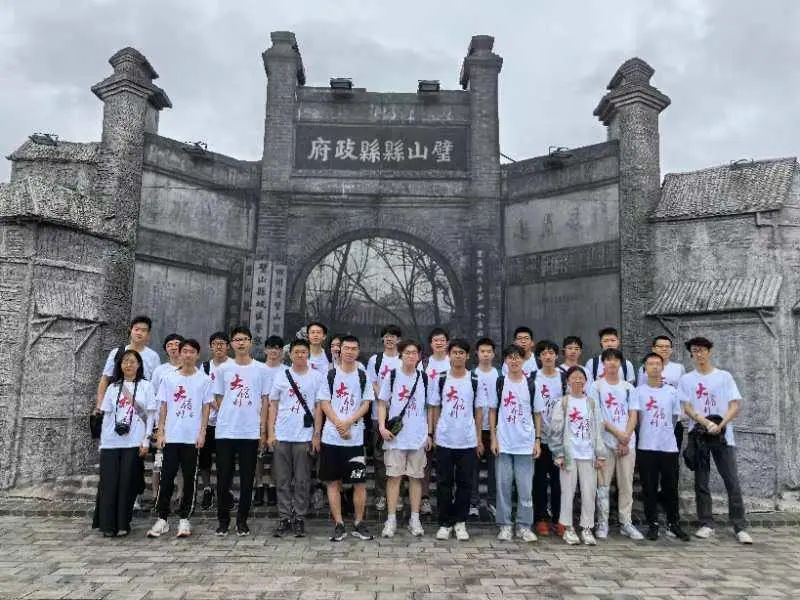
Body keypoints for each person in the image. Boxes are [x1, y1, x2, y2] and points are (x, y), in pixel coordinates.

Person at [678, 337, 752, 544]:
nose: (699, 354)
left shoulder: (724, 377)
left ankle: (739, 526)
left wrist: (721, 425)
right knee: (701, 481)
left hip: (723, 436)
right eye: (695, 350)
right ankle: (706, 523)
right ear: (691, 354)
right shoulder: (687, 379)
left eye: (702, 350)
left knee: (731, 480)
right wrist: (705, 422)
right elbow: (687, 407)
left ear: (709, 351)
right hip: (699, 435)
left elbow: (735, 405)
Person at [146, 339, 212, 539]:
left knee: (190, 478)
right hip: (171, 436)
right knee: (166, 477)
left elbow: (206, 408)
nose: (188, 354)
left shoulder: (204, 380)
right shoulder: (169, 378)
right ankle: (162, 518)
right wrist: (160, 432)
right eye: (185, 351)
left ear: (197, 355)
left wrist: (202, 432)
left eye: (192, 351)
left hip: (192, 438)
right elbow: (163, 407)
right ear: (180, 353)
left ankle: (185, 518)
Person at [212, 326, 271, 536]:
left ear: (251, 342)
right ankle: (223, 520)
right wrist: (230, 413)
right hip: (226, 432)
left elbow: (265, 401)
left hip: (250, 432)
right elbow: (218, 397)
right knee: (223, 479)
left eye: (245, 339)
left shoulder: (262, 369)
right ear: (232, 344)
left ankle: (242, 521)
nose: (241, 343)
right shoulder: (223, 369)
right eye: (237, 339)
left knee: (247, 479)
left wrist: (262, 430)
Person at [92, 349, 156, 537]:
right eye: (125, 361)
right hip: (111, 442)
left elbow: (151, 415)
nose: (128, 365)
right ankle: (107, 525)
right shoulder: (113, 388)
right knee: (109, 483)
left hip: (134, 441)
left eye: (132, 361)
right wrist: (103, 442)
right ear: (120, 365)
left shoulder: (146, 386)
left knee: (127, 483)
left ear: (139, 365)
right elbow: (107, 416)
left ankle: (123, 523)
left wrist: (146, 440)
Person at [317, 335, 375, 542]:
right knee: (333, 482)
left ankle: (359, 522)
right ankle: (339, 523)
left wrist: (348, 422)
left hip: (354, 439)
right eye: (346, 348)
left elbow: (366, 404)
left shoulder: (362, 375)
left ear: (358, 351)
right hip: (331, 438)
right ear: (339, 350)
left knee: (359, 483)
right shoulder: (330, 374)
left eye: (353, 348)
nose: (349, 351)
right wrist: (339, 424)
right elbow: (324, 402)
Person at [268, 339, 325, 538]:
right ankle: (284, 517)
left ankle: (299, 517)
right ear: (290, 354)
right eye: (296, 352)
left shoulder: (316, 377)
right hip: (282, 435)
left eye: (303, 352)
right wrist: (271, 433)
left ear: (308, 354)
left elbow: (319, 407)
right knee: (282, 480)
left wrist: (316, 434)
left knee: (302, 480)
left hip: (304, 436)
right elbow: (273, 405)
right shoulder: (281, 375)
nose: (300, 355)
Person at [428, 339, 482, 541]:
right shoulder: (441, 378)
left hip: (467, 440)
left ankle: (460, 522)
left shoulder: (474, 379)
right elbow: (434, 407)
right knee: (444, 483)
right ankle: (445, 522)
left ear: (467, 356)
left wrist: (478, 438)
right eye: (455, 352)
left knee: (465, 483)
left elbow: (479, 410)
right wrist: (433, 433)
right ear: (449, 355)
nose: (458, 356)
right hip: (444, 439)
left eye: (462, 353)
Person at [588, 348, 642, 540]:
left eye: (616, 360)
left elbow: (633, 414)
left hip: (627, 444)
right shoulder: (596, 387)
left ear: (620, 363)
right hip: (604, 442)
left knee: (626, 484)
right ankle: (602, 522)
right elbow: (597, 416)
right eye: (608, 360)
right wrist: (619, 435)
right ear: (603, 363)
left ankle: (626, 522)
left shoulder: (628, 388)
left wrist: (626, 437)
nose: (612, 363)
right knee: (602, 485)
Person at [377, 339, 430, 537]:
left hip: (417, 436)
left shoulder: (424, 378)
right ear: (401, 355)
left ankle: (415, 519)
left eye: (414, 352)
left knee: (416, 478)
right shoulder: (392, 376)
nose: (410, 356)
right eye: (407, 352)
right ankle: (391, 519)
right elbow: (382, 403)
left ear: (419, 356)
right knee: (394, 478)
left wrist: (429, 433)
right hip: (395, 437)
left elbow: (430, 407)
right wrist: (382, 427)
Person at [635, 352, 689, 541]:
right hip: (646, 445)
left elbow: (675, 418)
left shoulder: (672, 392)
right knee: (649, 487)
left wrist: (664, 433)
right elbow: (637, 419)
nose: (655, 367)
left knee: (670, 487)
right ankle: (653, 524)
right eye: (650, 363)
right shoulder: (638, 392)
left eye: (658, 363)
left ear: (662, 367)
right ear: (645, 368)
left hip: (668, 446)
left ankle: (674, 523)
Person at [550, 366, 607, 545]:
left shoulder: (591, 403)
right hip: (569, 455)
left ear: (585, 381)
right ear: (567, 381)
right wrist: (558, 453)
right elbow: (555, 431)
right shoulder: (563, 403)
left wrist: (600, 454)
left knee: (589, 493)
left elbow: (598, 430)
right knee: (567, 492)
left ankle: (587, 528)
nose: (577, 380)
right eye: (573, 377)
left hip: (588, 454)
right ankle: (568, 528)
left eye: (580, 377)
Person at [489, 345, 540, 542]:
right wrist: (493, 438)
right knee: (503, 487)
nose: (514, 360)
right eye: (510, 357)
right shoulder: (500, 382)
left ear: (523, 360)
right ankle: (505, 525)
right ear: (505, 361)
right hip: (504, 442)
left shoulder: (531, 384)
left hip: (525, 444)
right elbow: (493, 411)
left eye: (518, 357)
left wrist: (537, 440)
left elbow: (537, 414)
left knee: (525, 488)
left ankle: (524, 525)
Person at [531, 340, 567, 537]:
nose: (547, 356)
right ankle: (540, 518)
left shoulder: (563, 378)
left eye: (551, 353)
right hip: (539, 438)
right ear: (539, 357)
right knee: (539, 481)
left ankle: (559, 519)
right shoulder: (532, 378)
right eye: (543, 353)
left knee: (558, 482)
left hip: (559, 439)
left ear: (556, 355)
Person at [366, 325, 402, 511]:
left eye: (393, 336)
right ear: (382, 339)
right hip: (377, 414)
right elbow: (372, 382)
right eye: (386, 336)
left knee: (400, 455)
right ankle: (380, 495)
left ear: (398, 340)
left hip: (400, 416)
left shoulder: (403, 358)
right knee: (380, 457)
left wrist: (394, 404)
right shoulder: (375, 360)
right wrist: (385, 400)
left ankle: (398, 495)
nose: (389, 339)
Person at [148, 333, 185, 505]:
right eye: (169, 344)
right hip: (162, 422)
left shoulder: (191, 369)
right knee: (158, 461)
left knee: (180, 461)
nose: (173, 347)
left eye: (177, 343)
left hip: (183, 422)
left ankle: (180, 494)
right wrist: (155, 425)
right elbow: (153, 395)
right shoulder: (160, 370)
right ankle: (156, 494)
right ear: (165, 349)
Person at [95, 315, 161, 410]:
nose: (139, 333)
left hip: (141, 407)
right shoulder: (117, 353)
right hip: (117, 404)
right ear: (131, 330)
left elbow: (156, 386)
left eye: (143, 330)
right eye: (136, 329)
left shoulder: (153, 357)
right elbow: (105, 379)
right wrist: (99, 405)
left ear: (148, 334)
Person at [418, 327, 451, 516]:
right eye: (435, 340)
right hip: (425, 418)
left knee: (447, 464)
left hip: (449, 419)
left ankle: (446, 500)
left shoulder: (453, 362)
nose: (439, 343)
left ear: (447, 343)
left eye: (442, 340)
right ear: (431, 344)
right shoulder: (423, 364)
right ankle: (424, 499)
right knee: (425, 462)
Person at [198, 331, 230, 510]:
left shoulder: (233, 366)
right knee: (205, 458)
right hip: (208, 421)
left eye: (222, 343)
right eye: (215, 343)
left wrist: (224, 409)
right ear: (210, 346)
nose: (219, 346)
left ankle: (224, 490)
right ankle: (207, 488)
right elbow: (201, 391)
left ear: (228, 346)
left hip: (227, 423)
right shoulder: (204, 367)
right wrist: (215, 405)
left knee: (224, 459)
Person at [637, 335, 687, 448]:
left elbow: (683, 393)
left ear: (671, 349)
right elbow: (640, 393)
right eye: (660, 346)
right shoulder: (644, 369)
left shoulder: (679, 368)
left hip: (673, 420)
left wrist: (682, 414)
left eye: (667, 346)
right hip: (650, 421)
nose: (664, 349)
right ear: (653, 349)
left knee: (672, 453)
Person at [254, 335, 285, 508]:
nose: (274, 351)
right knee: (258, 453)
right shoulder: (257, 369)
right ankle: (259, 485)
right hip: (257, 415)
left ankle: (272, 485)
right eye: (271, 347)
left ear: (282, 351)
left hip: (280, 418)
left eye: (278, 348)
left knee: (275, 453)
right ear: (265, 350)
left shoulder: (286, 371)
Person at [470, 337, 499, 518]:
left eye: (489, 351)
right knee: (472, 468)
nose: (486, 354)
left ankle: (492, 502)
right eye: (483, 351)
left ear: (494, 354)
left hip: (495, 429)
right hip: (474, 428)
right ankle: (473, 503)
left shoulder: (500, 375)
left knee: (494, 469)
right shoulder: (471, 375)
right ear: (477, 353)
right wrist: (477, 436)